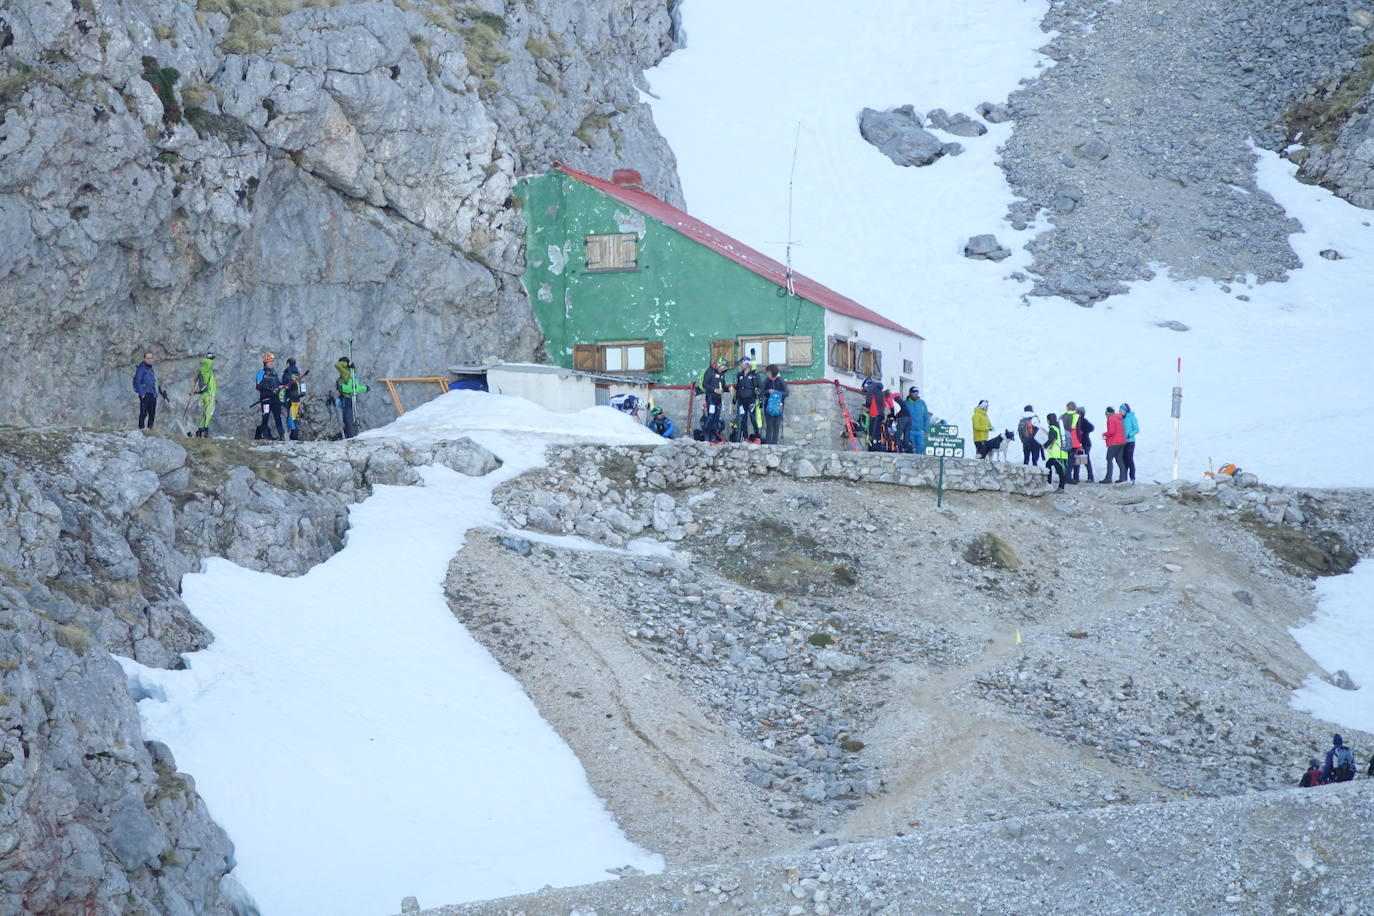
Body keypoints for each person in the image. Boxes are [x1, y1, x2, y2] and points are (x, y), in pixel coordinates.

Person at [254, 353, 284, 440]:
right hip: (266, 399)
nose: (272, 363)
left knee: (278, 416)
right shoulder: (261, 373)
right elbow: (259, 384)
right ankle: (265, 435)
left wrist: (281, 386)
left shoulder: (275, 373)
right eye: (270, 362)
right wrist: (271, 389)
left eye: (272, 361)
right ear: (265, 363)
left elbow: (278, 384)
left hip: (275, 399)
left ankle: (282, 435)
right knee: (265, 416)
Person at [335, 356, 366, 439]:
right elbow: (356, 387)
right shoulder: (353, 374)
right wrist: (365, 388)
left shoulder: (346, 372)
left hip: (346, 397)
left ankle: (349, 434)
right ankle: (350, 432)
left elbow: (337, 365)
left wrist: (347, 363)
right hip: (353, 397)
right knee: (350, 416)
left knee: (347, 416)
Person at [733, 357, 763, 443]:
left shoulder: (754, 375)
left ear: (747, 364)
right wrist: (734, 399)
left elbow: (759, 387)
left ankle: (757, 437)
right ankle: (746, 437)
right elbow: (737, 387)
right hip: (741, 400)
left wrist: (760, 399)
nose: (740, 365)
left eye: (741, 363)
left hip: (751, 400)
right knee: (743, 418)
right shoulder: (739, 375)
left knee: (753, 418)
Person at [762, 364, 788, 445]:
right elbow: (761, 392)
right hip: (768, 406)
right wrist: (768, 391)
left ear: (773, 372)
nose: (767, 374)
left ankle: (775, 443)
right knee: (769, 425)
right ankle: (768, 443)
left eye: (768, 372)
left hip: (778, 406)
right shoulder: (766, 381)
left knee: (776, 425)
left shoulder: (780, 381)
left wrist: (777, 393)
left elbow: (786, 392)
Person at [192, 352, 216, 438]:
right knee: (208, 414)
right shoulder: (206, 369)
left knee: (206, 414)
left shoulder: (203, 370)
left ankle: (199, 431)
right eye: (212, 359)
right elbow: (208, 363)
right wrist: (207, 359)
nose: (213, 362)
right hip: (208, 395)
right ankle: (204, 431)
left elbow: (202, 383)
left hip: (207, 394)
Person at [1101, 406, 1127, 483]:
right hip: (1121, 442)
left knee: (1109, 459)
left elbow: (1111, 431)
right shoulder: (1118, 419)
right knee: (1119, 460)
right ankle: (1123, 478)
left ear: (1108, 413)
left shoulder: (1111, 419)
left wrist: (1104, 434)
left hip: (1114, 442)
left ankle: (1108, 478)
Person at [281, 357, 304, 441]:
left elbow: (285, 386)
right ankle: (294, 435)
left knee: (290, 418)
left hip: (290, 399)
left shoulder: (287, 374)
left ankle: (294, 436)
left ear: (288, 364)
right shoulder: (297, 374)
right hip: (297, 399)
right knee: (293, 417)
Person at [133, 352, 158, 430]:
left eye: (151, 358)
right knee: (144, 412)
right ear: (144, 359)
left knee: (152, 412)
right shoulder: (141, 368)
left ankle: (150, 428)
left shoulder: (151, 368)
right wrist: (142, 393)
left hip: (152, 393)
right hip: (145, 392)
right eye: (148, 358)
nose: (150, 360)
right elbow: (137, 380)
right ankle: (141, 428)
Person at [1044, 413, 1067, 490]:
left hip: (1055, 453)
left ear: (1049, 420)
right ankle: (1061, 486)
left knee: (1049, 466)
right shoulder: (1060, 428)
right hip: (1062, 453)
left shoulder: (1053, 428)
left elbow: (1051, 439)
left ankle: (1049, 483)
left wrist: (1045, 445)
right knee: (1060, 470)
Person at [906, 387, 930, 454]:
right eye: (914, 392)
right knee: (911, 449)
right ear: (910, 393)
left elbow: (926, 417)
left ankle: (920, 463)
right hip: (910, 430)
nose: (916, 394)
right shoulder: (906, 403)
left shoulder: (922, 403)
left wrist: (926, 430)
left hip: (920, 431)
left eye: (917, 392)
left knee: (921, 448)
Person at [1120, 403, 1138, 482]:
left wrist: (1129, 435)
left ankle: (1132, 477)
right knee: (1123, 460)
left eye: (1121, 410)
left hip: (1130, 442)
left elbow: (1136, 429)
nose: (1120, 412)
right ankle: (1124, 477)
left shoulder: (1131, 418)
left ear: (1126, 411)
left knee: (1129, 459)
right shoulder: (1121, 418)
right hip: (1122, 442)